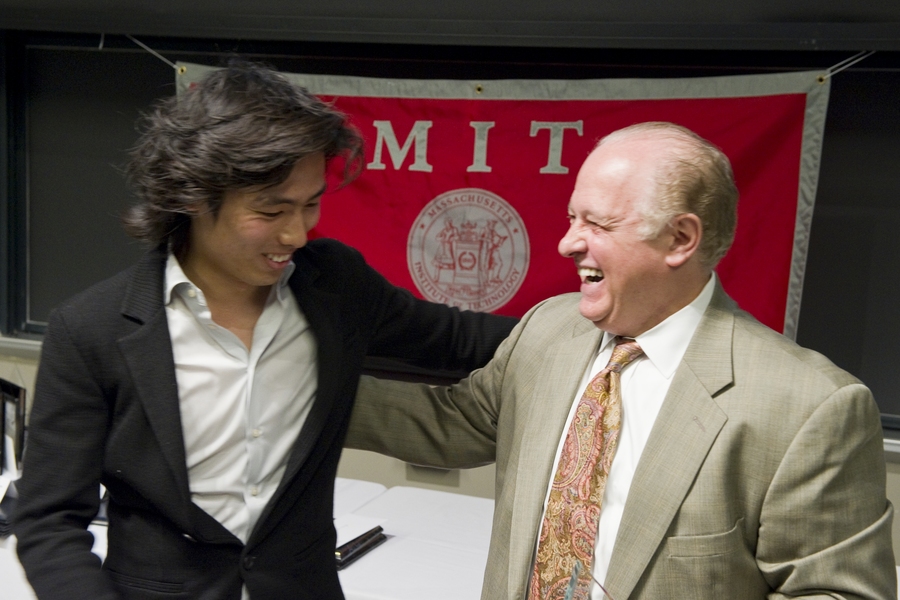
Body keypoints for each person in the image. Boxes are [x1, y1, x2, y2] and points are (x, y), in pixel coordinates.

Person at [13, 62, 516, 600]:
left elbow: (461, 340)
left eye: (311, 204)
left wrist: (575, 326)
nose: (296, 233)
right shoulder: (93, 329)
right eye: (271, 210)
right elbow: (49, 522)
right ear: (192, 196)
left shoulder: (336, 287)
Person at [347, 122, 896, 599]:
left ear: (680, 238)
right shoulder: (547, 330)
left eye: (598, 224)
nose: (567, 243)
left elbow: (835, 591)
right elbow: (454, 423)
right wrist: (303, 387)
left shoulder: (810, 408)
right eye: (571, 218)